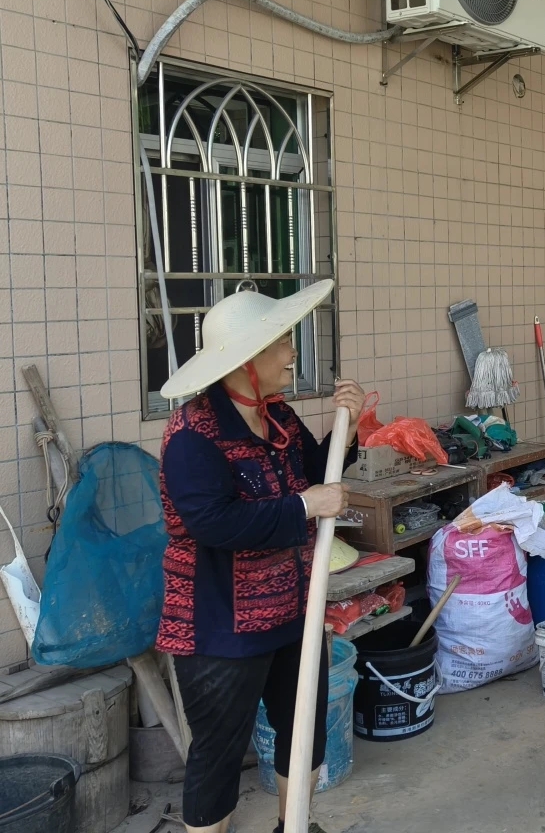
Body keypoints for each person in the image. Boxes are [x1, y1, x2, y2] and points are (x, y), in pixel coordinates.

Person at [154, 281, 365, 833]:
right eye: (283, 342)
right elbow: (213, 523)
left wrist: (349, 428)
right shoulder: (192, 435)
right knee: (218, 755)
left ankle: (294, 825)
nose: (293, 353)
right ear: (247, 359)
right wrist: (306, 505)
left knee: (303, 731)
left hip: (293, 612)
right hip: (220, 629)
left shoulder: (279, 418)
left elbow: (316, 474)